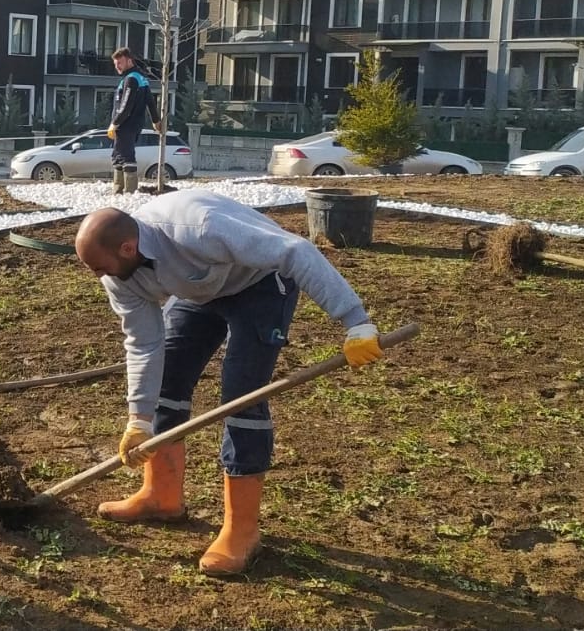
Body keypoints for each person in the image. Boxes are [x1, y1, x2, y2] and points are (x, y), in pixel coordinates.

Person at [73, 188, 384, 576]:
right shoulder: (119, 275)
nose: (99, 278)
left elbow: (296, 251)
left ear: (127, 247)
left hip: (260, 284)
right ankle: (161, 495)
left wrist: (356, 322)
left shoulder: (197, 228)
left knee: (242, 395)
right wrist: (139, 419)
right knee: (169, 377)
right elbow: (143, 344)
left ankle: (242, 530)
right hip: (200, 290)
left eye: (100, 268)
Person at [106, 47, 151, 194]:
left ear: (129, 60)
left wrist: (115, 123)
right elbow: (150, 101)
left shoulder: (131, 79)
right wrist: (156, 120)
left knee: (125, 156)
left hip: (126, 124)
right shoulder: (141, 78)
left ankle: (127, 190)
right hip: (133, 124)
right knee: (119, 154)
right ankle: (119, 189)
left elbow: (126, 105)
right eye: (115, 64)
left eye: (120, 62)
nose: (117, 66)